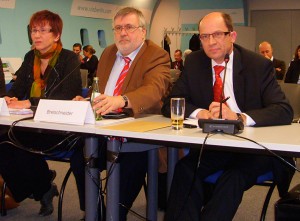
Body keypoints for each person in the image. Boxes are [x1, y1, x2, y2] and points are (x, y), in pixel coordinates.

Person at [162, 12, 295, 221]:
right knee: (186, 169)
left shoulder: (257, 65)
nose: (211, 42)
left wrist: (240, 118)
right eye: (205, 36)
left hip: (255, 147)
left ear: (232, 36)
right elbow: (171, 103)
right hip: (216, 144)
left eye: (217, 34)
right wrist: (200, 112)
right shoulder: (195, 62)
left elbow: (283, 109)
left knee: (232, 177)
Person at [71, 7, 170, 221]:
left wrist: (122, 100)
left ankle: (114, 214)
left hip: (138, 136)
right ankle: (94, 212)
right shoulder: (108, 53)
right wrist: (87, 101)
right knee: (79, 158)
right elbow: (99, 90)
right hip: (103, 131)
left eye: (129, 27)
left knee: (129, 164)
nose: (123, 33)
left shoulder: (156, 55)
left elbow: (154, 89)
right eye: (118, 28)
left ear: (143, 32)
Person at [0, 10, 82, 216]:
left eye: (43, 31)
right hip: (29, 125)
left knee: (15, 143)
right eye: (34, 30)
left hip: (58, 130)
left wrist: (29, 101)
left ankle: (40, 185)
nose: (36, 35)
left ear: (56, 35)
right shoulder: (30, 57)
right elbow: (18, 87)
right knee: (2, 142)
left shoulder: (69, 59)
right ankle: (44, 186)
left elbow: (64, 96)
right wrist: (10, 97)